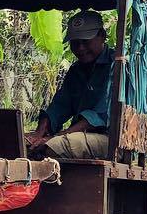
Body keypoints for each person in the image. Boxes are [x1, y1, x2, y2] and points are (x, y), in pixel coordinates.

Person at [24, 10, 114, 159]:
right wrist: (39, 132)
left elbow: (98, 116)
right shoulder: (76, 70)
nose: (80, 48)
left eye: (85, 41)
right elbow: (60, 105)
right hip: (78, 135)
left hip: (109, 139)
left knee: (54, 146)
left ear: (102, 36)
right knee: (22, 142)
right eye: (75, 43)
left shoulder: (115, 66)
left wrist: (59, 136)